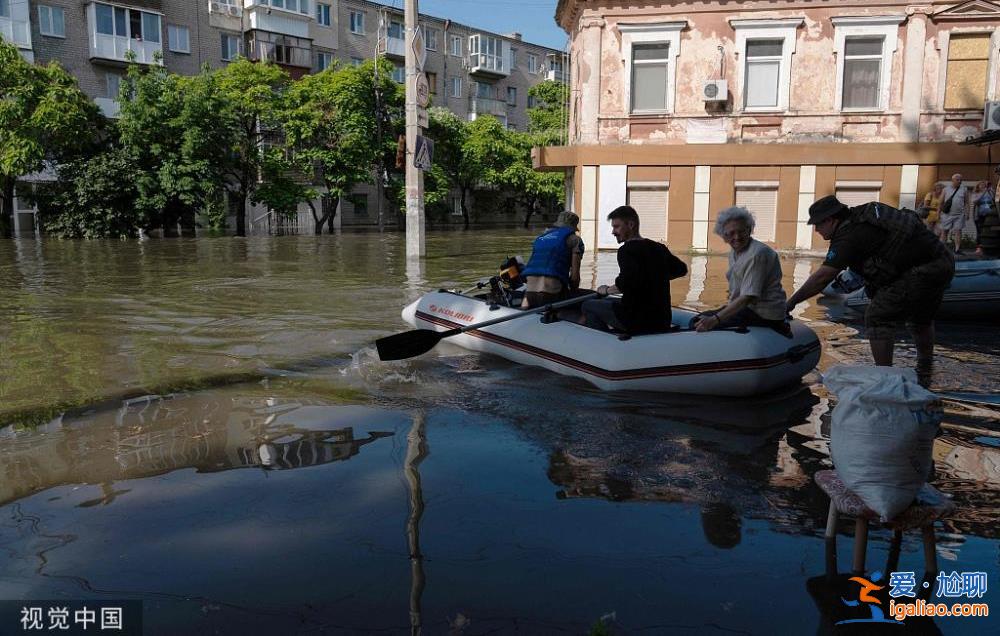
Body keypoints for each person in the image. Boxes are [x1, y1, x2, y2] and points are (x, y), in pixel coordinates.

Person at [785, 195, 954, 368]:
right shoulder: (863, 215)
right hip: (942, 261)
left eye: (818, 225)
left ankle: (884, 374)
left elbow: (822, 277)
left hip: (922, 270)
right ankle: (925, 366)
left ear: (830, 220)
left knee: (877, 317)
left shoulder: (847, 237)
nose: (816, 230)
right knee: (920, 319)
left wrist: (791, 303)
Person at [580, 205, 687, 334]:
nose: (613, 232)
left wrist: (606, 290)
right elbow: (681, 270)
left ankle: (605, 342)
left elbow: (625, 284)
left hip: (636, 320)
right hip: (662, 319)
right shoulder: (659, 247)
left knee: (588, 305)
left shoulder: (626, 250)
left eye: (616, 227)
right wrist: (655, 277)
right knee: (608, 302)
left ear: (631, 225)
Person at [693, 206, 788, 333]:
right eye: (731, 233)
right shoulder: (735, 252)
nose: (737, 237)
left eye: (741, 231)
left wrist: (715, 319)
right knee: (697, 320)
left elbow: (748, 296)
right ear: (724, 236)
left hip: (765, 315)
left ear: (749, 230)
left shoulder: (757, 254)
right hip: (748, 310)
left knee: (697, 323)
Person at [520, 211, 585, 308]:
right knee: (590, 299)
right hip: (551, 297)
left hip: (529, 296)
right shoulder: (575, 240)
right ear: (573, 227)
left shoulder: (540, 239)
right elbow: (575, 279)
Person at [938, 173, 968, 254]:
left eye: (961, 180)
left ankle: (957, 249)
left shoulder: (964, 189)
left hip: (959, 215)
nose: (959, 181)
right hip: (947, 214)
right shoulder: (945, 189)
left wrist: (967, 212)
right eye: (957, 180)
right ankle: (941, 250)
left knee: (958, 231)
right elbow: (940, 202)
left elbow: (966, 202)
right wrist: (938, 213)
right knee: (945, 231)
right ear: (953, 180)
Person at [972, 180, 997, 256]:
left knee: (989, 231)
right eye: (981, 184)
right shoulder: (976, 193)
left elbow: (994, 199)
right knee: (980, 231)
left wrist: (990, 190)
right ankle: (979, 248)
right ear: (978, 186)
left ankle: (988, 247)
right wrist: (983, 192)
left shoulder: (989, 192)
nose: (983, 185)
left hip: (990, 215)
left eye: (984, 184)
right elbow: (975, 201)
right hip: (980, 215)